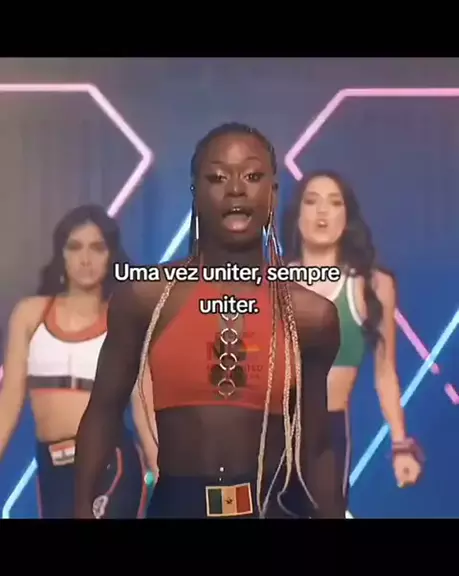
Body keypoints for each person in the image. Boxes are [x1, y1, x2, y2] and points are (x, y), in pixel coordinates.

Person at [74, 123, 346, 519]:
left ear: (273, 193)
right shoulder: (145, 299)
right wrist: (81, 508)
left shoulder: (310, 317)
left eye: (252, 176)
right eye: (217, 177)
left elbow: (317, 447)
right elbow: (103, 411)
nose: (235, 189)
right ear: (195, 193)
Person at [0, 205, 153, 518]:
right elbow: (9, 401)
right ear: (62, 254)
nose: (85, 259)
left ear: (111, 256)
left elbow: (143, 404)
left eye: (97, 248)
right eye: (75, 247)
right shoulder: (30, 315)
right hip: (52, 471)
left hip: (111, 464)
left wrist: (162, 468)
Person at [282, 170, 423, 507]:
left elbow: (385, 373)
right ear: (297, 214)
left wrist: (400, 444)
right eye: (311, 201)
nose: (322, 211)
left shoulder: (374, 287)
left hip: (328, 438)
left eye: (334, 203)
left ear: (347, 218)